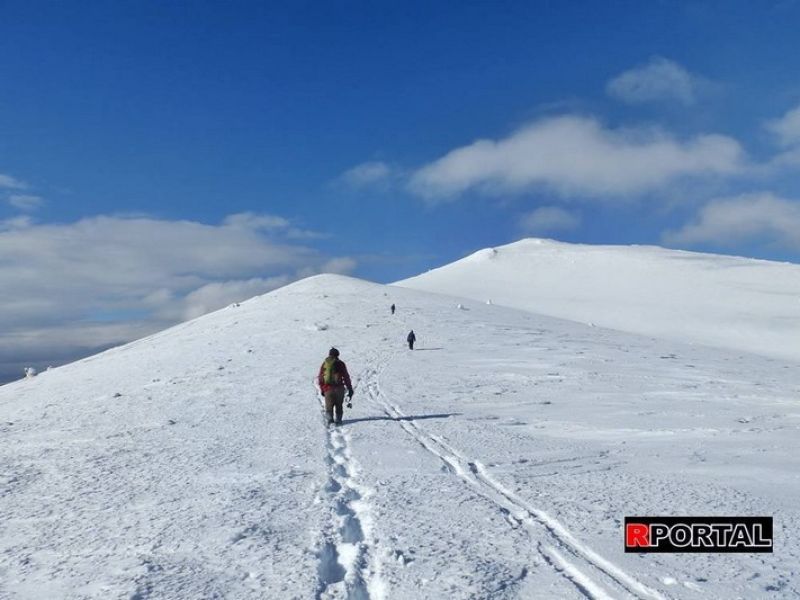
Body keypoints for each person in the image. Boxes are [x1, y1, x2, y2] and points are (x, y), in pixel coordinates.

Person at [318, 347, 354, 425]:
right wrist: (350, 388)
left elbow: (320, 377)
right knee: (339, 405)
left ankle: (330, 421)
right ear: (338, 355)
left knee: (329, 406)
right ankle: (338, 421)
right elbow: (346, 377)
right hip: (339, 389)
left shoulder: (325, 364)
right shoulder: (341, 363)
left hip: (328, 389)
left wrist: (322, 389)